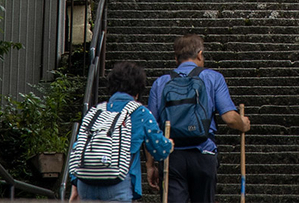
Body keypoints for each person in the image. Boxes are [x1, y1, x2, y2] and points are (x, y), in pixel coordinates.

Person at [146, 34, 251, 203]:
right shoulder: (213, 78)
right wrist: (243, 124)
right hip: (204, 153)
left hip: (172, 156)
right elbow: (230, 118)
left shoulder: (160, 83)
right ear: (200, 54)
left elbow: (151, 128)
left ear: (176, 58)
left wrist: (150, 165)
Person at [69, 61, 173, 202]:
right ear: (137, 92)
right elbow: (159, 149)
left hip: (86, 182)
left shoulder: (95, 111)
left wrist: (75, 181)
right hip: (117, 182)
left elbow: (78, 148)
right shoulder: (140, 112)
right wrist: (169, 144)